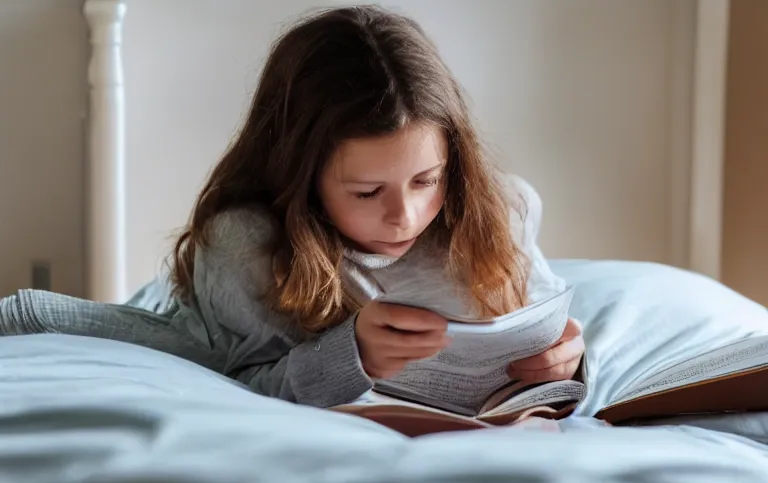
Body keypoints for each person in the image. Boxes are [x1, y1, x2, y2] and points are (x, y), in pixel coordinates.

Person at [0, 5, 584, 409]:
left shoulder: (500, 211)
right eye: (366, 192)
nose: (404, 216)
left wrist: (569, 363)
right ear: (302, 176)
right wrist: (351, 357)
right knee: (56, 324)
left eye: (427, 180)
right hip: (210, 324)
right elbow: (234, 381)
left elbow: (549, 331)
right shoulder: (246, 247)